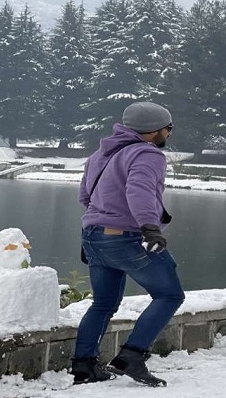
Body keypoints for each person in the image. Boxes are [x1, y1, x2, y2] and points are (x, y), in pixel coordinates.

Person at [71, 101, 184, 387]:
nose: (169, 134)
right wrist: (149, 227)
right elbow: (140, 190)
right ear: (153, 131)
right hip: (126, 237)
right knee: (169, 295)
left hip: (94, 235)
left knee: (102, 303)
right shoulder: (148, 154)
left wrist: (97, 226)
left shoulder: (100, 154)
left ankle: (84, 366)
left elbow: (86, 196)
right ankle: (132, 356)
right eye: (167, 129)